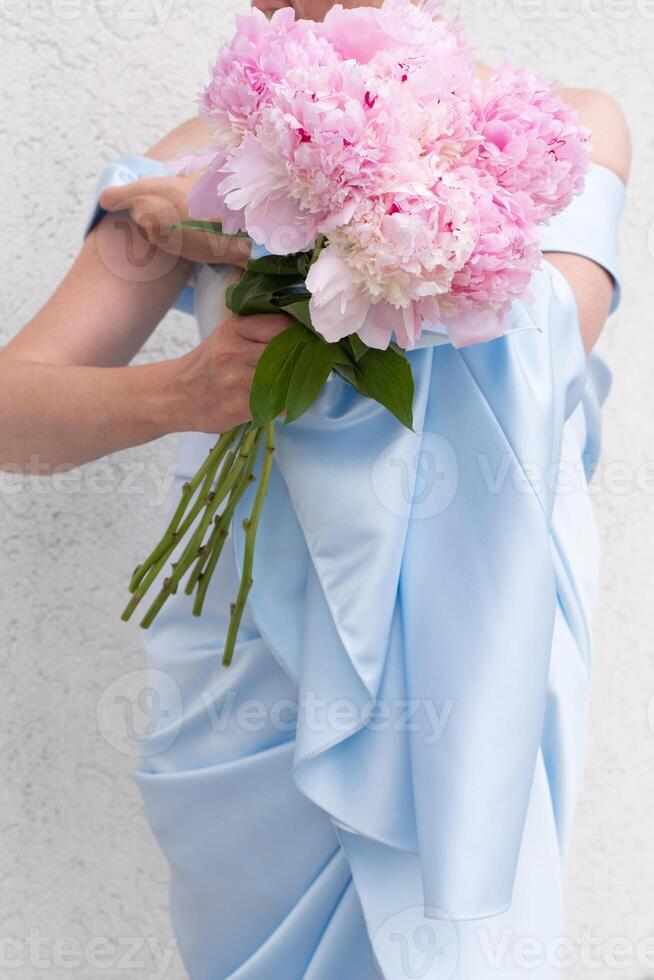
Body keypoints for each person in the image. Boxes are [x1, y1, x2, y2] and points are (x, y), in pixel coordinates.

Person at [0, 1, 631, 977]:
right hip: (256, 670)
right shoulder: (210, 151)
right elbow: (13, 411)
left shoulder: (552, 134)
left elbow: (545, 324)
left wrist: (224, 227)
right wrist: (179, 389)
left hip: (476, 646)